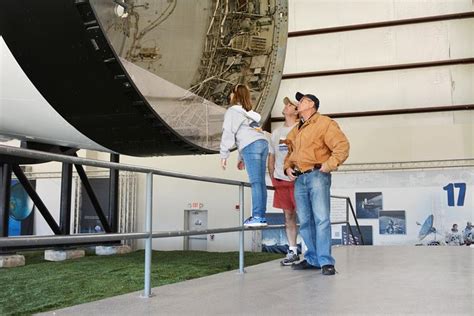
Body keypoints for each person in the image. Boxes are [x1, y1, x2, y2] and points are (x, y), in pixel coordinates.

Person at [284, 92, 349, 275]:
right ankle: (312, 259)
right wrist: (287, 167)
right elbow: (290, 153)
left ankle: (326, 261)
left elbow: (342, 146)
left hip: (317, 176)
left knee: (321, 219)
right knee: (305, 221)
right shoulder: (296, 130)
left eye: (302, 100)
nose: (298, 103)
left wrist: (327, 166)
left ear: (311, 104)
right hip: (300, 179)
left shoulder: (325, 123)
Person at [220, 84, 269, 227]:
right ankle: (261, 215)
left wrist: (224, 155)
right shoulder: (249, 114)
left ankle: (258, 216)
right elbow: (246, 132)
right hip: (262, 143)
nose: (229, 96)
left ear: (234, 95)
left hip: (251, 146)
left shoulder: (232, 111)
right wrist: (241, 157)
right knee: (260, 182)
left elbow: (229, 133)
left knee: (255, 182)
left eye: (230, 93)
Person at [268, 97, 300, 265]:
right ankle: (293, 250)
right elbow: (272, 156)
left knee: (305, 214)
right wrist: (273, 176)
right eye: (285, 104)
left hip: (298, 179)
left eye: (290, 105)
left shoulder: (301, 129)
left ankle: (311, 251)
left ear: (297, 111)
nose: (286, 106)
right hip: (280, 180)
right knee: (288, 216)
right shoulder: (276, 133)